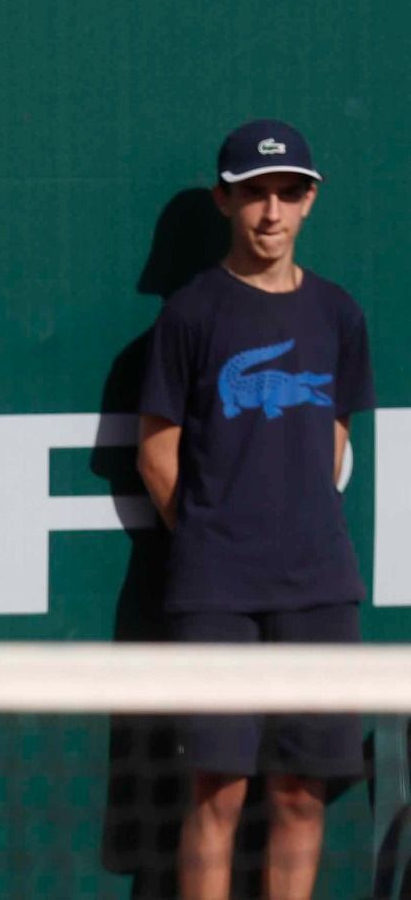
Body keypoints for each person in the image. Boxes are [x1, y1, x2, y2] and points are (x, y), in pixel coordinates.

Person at [137, 120, 374, 900]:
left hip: (319, 586)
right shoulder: (190, 315)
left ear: (309, 201)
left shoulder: (338, 315)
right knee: (218, 790)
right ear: (224, 200)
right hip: (216, 593)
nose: (271, 212)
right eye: (254, 194)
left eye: (287, 193)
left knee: (303, 792)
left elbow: (333, 443)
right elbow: (158, 452)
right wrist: (215, 540)